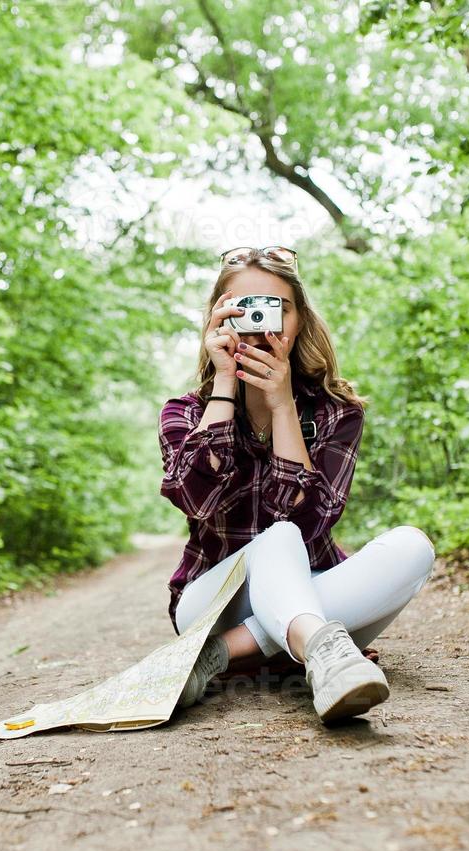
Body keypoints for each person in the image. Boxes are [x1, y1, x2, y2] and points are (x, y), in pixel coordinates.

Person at [159, 244, 436, 724]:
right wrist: (225, 385)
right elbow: (195, 500)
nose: (259, 324)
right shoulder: (184, 413)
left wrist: (283, 403)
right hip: (210, 605)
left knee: (413, 547)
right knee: (278, 536)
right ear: (217, 322)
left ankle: (225, 657)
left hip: (304, 591)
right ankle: (322, 650)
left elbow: (314, 525)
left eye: (275, 309)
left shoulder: (335, 411)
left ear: (299, 321)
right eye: (243, 309)